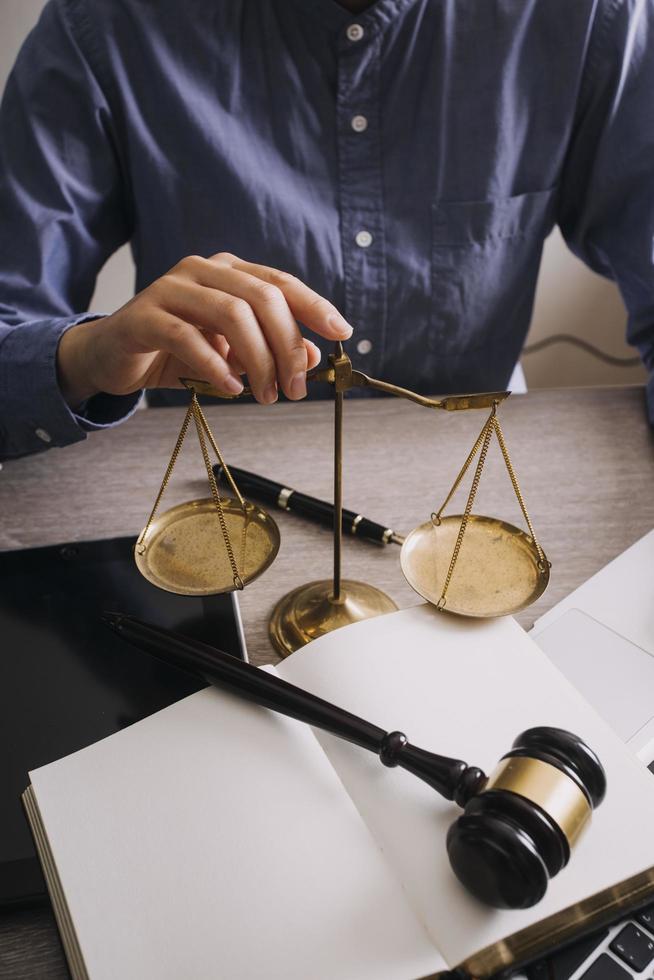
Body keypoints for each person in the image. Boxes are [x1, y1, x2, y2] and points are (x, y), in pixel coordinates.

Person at [1, 0, 653, 462]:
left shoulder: (591, 14)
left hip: (473, 481)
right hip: (214, 494)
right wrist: (86, 355)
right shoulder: (105, 23)